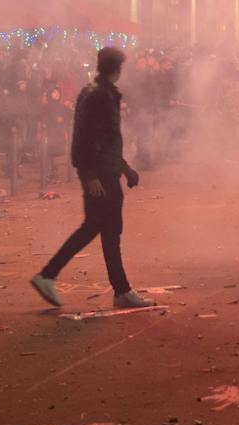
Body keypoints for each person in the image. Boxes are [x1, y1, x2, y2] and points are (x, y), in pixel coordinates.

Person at [30, 48, 156, 310]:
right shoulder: (99, 95)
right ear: (117, 69)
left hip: (106, 171)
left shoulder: (98, 92)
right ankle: (48, 275)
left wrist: (124, 168)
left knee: (108, 230)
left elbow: (106, 139)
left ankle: (121, 290)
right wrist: (89, 174)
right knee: (97, 228)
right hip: (101, 175)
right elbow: (88, 138)